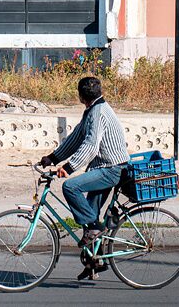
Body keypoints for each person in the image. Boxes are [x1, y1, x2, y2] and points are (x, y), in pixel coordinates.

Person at [39, 76, 128, 247]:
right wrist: (53, 158)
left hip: (111, 169)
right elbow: (77, 137)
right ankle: (95, 260)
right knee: (90, 215)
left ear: (80, 96)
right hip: (105, 167)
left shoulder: (98, 112)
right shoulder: (93, 109)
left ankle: (95, 229)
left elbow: (90, 145)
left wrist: (69, 168)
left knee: (70, 187)